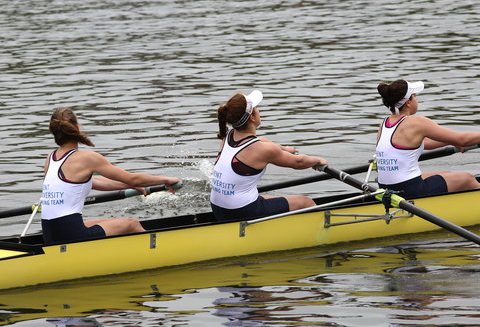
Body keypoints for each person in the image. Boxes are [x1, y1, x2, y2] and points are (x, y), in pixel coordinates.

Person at [41, 108, 181, 244]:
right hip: (70, 234)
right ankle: (160, 251)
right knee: (132, 223)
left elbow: (93, 182)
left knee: (109, 222)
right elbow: (132, 177)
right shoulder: (87, 158)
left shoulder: (51, 158)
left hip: (51, 233)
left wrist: (132, 186)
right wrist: (166, 179)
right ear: (77, 128)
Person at [210, 90, 327, 221]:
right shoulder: (263, 150)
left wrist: (284, 149)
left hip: (218, 208)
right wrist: (318, 160)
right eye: (257, 108)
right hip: (241, 211)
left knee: (269, 199)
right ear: (252, 117)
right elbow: (298, 162)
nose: (259, 110)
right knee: (304, 202)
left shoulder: (228, 136)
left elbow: (260, 142)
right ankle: (325, 230)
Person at [375, 79, 480, 199]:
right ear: (408, 102)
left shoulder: (384, 124)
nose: (417, 100)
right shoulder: (418, 123)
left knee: (447, 174)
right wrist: (458, 141)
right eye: (415, 96)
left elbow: (426, 143)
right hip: (409, 191)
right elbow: (462, 139)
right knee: (467, 178)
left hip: (386, 188)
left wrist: (453, 141)